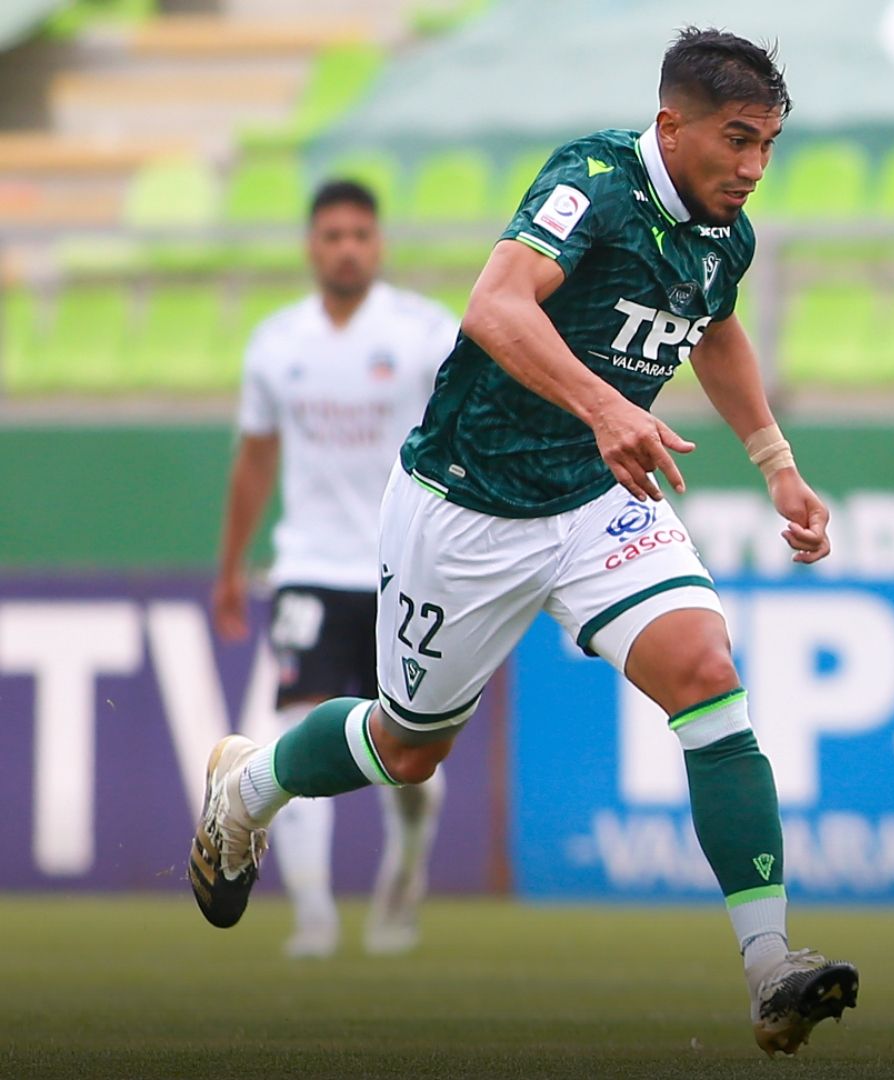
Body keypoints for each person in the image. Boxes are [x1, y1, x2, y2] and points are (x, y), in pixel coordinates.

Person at [189, 28, 857, 1055]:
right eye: (738, 140)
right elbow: (496, 305)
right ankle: (247, 788)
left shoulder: (728, 232)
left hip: (597, 500)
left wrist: (776, 462)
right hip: (466, 504)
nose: (754, 167)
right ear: (671, 126)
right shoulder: (590, 180)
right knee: (410, 749)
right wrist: (604, 406)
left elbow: (713, 326)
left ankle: (771, 965)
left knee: (706, 670)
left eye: (768, 144)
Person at [213, 179, 455, 959]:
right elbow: (255, 460)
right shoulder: (276, 344)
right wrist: (230, 567)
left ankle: (401, 888)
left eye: (359, 233)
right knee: (293, 739)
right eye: (332, 235)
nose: (346, 246)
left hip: (407, 568)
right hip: (310, 569)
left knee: (412, 759)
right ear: (311, 246)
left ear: (377, 244)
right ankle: (313, 914)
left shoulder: (425, 334)